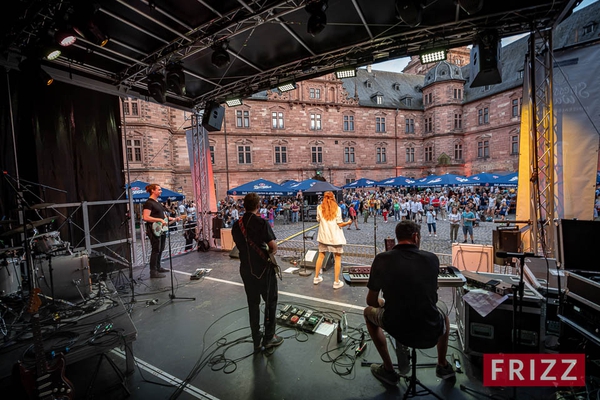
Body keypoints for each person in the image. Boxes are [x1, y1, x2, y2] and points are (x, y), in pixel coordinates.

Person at [363, 220, 455, 386]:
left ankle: (389, 370)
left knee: (368, 312)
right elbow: (432, 296)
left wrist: (382, 301)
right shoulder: (432, 259)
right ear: (415, 236)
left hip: (395, 325)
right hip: (429, 327)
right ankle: (442, 364)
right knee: (443, 313)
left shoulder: (382, 259)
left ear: (397, 238)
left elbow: (371, 301)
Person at [231, 193, 283, 353]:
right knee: (270, 302)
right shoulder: (261, 223)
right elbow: (273, 247)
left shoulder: (236, 225)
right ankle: (269, 337)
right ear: (258, 205)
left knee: (252, 304)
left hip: (246, 269)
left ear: (244, 206)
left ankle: (256, 338)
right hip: (263, 271)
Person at [313, 192, 352, 289]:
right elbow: (340, 223)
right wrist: (348, 223)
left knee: (321, 256)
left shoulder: (319, 208)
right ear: (333, 198)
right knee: (337, 258)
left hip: (323, 236)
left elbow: (318, 219)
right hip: (335, 238)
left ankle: (316, 277)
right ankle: (336, 282)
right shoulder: (337, 209)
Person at [142, 184, 181, 278]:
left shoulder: (157, 202)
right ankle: (153, 271)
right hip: (154, 229)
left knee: (161, 248)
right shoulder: (149, 203)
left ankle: (158, 267)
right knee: (155, 250)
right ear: (153, 191)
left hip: (161, 228)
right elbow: (145, 217)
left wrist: (173, 219)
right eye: (159, 190)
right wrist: (159, 220)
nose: (161, 191)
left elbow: (163, 217)